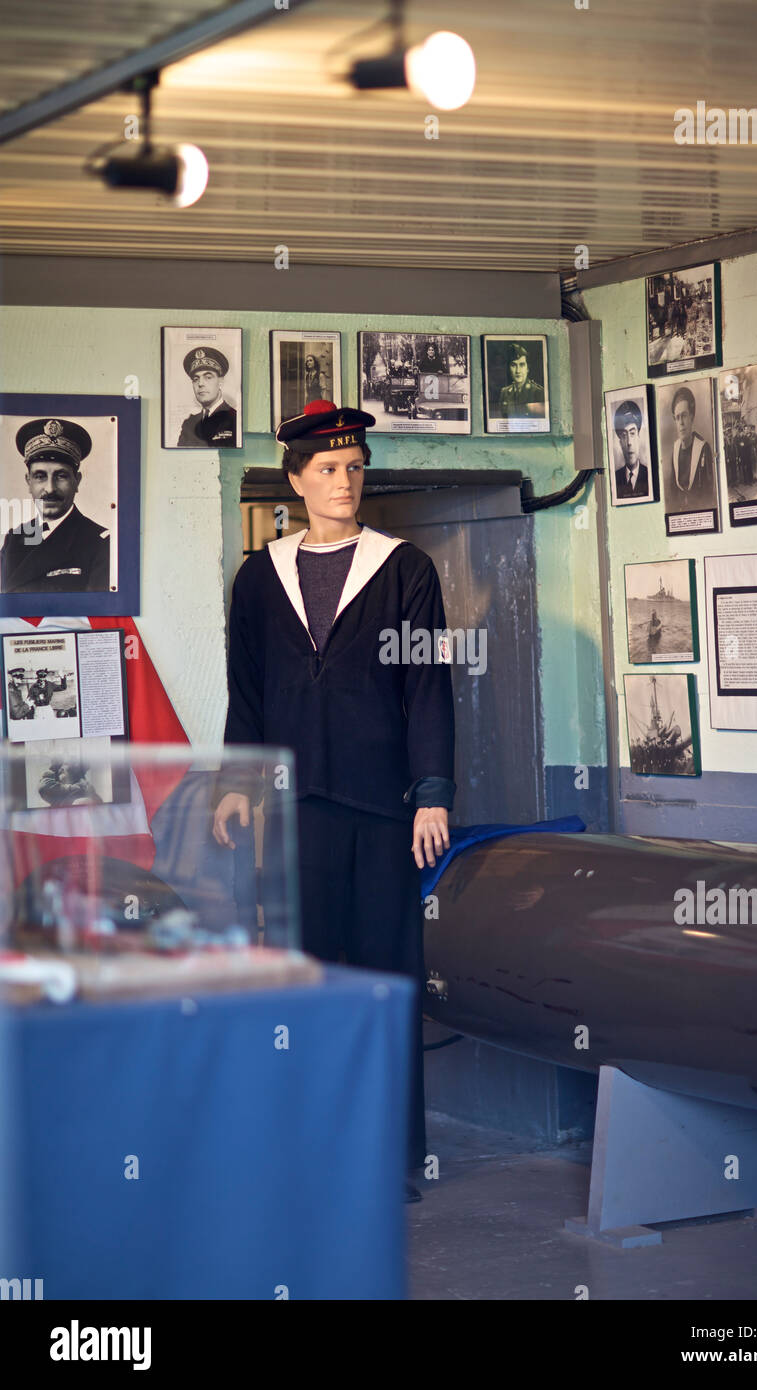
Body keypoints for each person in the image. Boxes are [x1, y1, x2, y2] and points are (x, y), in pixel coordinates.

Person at [212, 399, 456, 1205]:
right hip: (293, 810)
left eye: (354, 467)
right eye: (327, 469)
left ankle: (393, 1157)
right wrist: (236, 785)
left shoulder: (406, 569)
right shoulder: (259, 576)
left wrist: (432, 793)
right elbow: (244, 693)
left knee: (388, 983)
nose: (345, 481)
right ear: (295, 479)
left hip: (385, 810)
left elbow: (429, 689)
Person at [0, 419, 110, 593]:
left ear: (77, 481)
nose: (50, 488)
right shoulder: (14, 539)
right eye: (40, 476)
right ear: (29, 482)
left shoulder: (100, 544)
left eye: (61, 476)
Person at [666, 386, 716, 511]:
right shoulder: (675, 448)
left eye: (684, 416)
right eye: (677, 418)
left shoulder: (703, 448)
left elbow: (708, 494)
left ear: (692, 417)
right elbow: (673, 491)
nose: (681, 422)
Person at [176, 347, 237, 447]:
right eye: (196, 379)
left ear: (221, 381)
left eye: (208, 377)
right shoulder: (189, 424)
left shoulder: (234, 419)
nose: (200, 383)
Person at [612, 399, 649, 498]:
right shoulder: (615, 479)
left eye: (632, 434)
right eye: (624, 435)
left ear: (638, 437)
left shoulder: (649, 475)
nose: (629, 442)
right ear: (620, 443)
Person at [499, 343, 545, 418]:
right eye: (513, 365)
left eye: (522, 365)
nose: (518, 371)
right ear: (509, 368)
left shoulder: (539, 392)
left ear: (528, 368)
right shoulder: (504, 392)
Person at [38, 759, 103, 807]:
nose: (60, 770)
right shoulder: (81, 789)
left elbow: (44, 788)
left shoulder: (83, 796)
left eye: (65, 764)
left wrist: (52, 769)